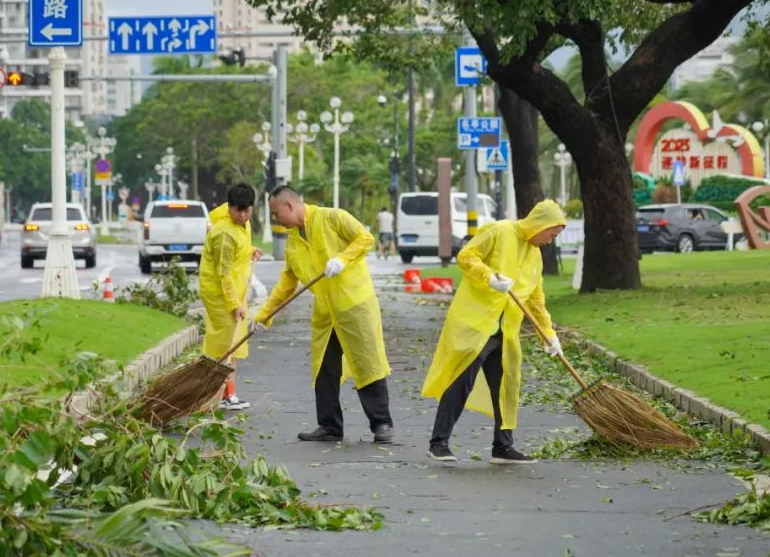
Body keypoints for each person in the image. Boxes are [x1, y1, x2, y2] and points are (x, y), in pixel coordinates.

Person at [421, 199, 566, 464]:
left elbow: (535, 298)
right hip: (476, 323)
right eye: (551, 234)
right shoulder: (499, 231)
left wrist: (549, 334)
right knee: (460, 381)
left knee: (506, 385)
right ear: (540, 224)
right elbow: (466, 256)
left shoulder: (535, 256)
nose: (550, 241)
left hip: (505, 330)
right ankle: (438, 443)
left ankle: (503, 447)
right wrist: (489, 277)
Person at [253, 185, 394, 443]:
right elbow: (286, 284)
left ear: (289, 206)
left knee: (367, 362)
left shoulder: (332, 217)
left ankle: (381, 424)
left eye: (276, 214)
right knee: (324, 369)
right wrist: (263, 315)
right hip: (326, 313)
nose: (277, 220)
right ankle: (329, 426)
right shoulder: (293, 243)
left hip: (354, 305)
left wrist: (342, 259)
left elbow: (364, 238)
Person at [198, 183, 263, 411]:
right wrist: (234, 305)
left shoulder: (240, 225)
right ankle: (214, 395)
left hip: (235, 291)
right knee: (223, 345)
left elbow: (240, 248)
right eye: (239, 211)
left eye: (248, 211)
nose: (243, 215)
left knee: (232, 344)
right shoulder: (224, 233)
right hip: (221, 294)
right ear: (229, 208)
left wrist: (251, 250)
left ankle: (227, 395)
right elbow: (223, 273)